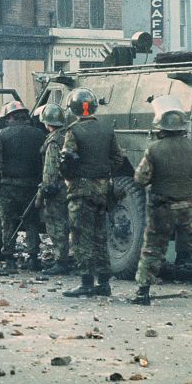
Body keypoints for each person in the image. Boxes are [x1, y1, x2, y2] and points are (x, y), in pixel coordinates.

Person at [129, 99, 192, 308]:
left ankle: (142, 292)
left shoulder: (154, 149)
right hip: (189, 206)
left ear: (162, 128)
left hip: (161, 207)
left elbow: (140, 179)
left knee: (153, 249)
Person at [60, 88, 124, 297]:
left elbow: (67, 160)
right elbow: (118, 158)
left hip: (81, 190)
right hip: (103, 189)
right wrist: (103, 173)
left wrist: (71, 176)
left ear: (74, 109)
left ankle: (86, 282)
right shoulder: (107, 129)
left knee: (81, 236)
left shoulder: (73, 131)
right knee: (100, 235)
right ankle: (104, 283)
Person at [0, 101, 45, 271]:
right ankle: (34, 259)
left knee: (9, 222)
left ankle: (10, 261)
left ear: (11, 117)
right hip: (32, 187)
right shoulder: (39, 134)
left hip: (10, 187)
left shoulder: (4, 134)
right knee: (32, 222)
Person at [37, 104, 71, 275]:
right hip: (69, 186)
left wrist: (45, 189)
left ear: (46, 123)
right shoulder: (67, 136)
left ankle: (61, 261)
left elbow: (50, 169)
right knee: (68, 223)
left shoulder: (53, 141)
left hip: (56, 188)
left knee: (55, 224)